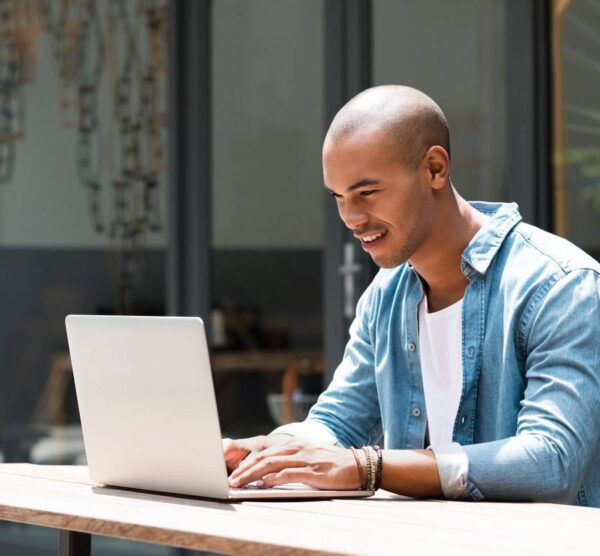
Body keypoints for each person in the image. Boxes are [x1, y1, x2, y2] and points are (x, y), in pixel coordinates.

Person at [223, 85, 600, 505]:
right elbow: (338, 422)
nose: (351, 217)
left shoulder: (560, 285)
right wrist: (269, 451)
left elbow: (551, 461)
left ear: (435, 169)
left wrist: (370, 467)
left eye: (366, 193)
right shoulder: (386, 295)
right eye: (339, 197)